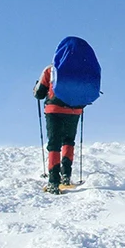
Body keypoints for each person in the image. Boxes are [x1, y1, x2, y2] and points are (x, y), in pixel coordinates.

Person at [34, 65, 82, 194]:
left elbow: (39, 94)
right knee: (68, 141)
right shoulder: (80, 68)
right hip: (74, 110)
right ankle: (66, 175)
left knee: (54, 144)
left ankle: (53, 182)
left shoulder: (50, 69)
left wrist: (36, 88)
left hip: (54, 110)